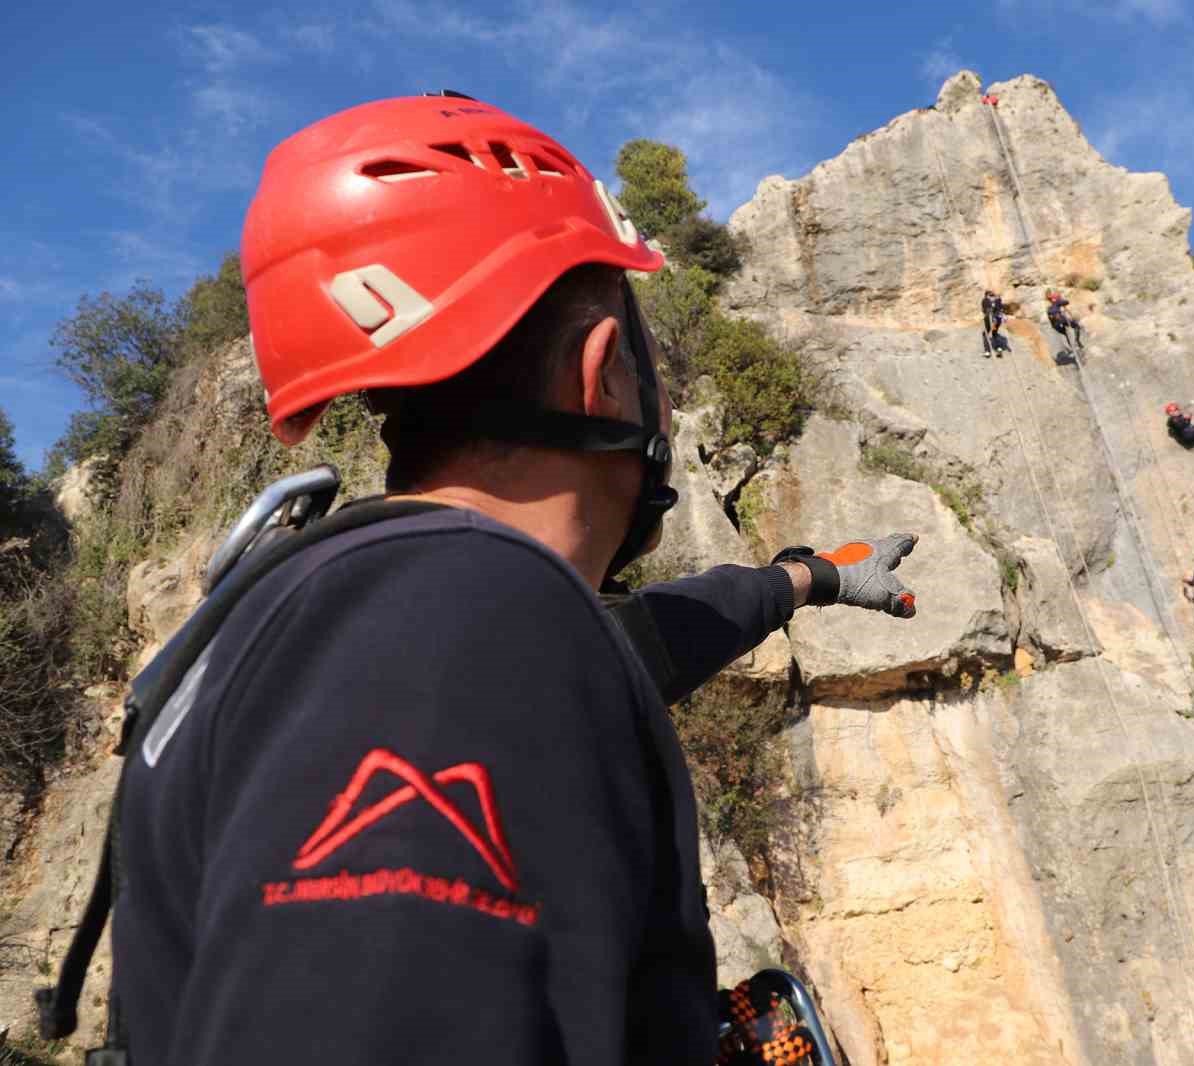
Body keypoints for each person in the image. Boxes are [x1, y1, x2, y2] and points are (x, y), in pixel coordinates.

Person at [98, 93, 921, 1066]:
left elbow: (641, 642)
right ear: (603, 370)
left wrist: (805, 578)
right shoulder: (460, 624)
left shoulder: (384, 607)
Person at [981, 289, 1006, 355]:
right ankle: (998, 348)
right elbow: (1001, 310)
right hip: (997, 320)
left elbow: (986, 311)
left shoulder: (985, 300)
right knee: (994, 332)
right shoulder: (998, 300)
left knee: (985, 334)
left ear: (986, 295)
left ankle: (987, 351)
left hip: (990, 320)